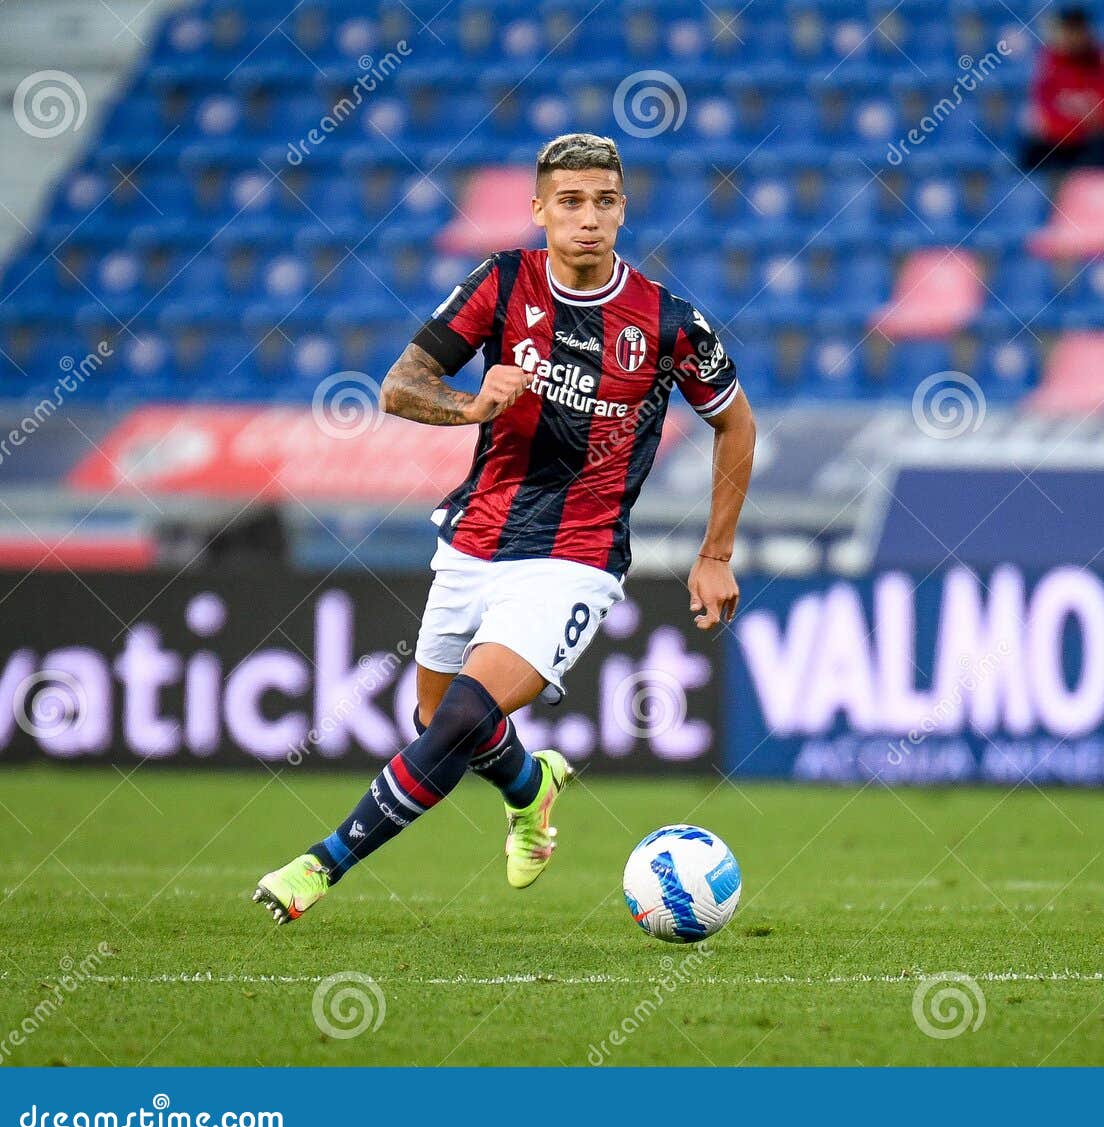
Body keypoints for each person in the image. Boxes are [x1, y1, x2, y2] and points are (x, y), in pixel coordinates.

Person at [252, 132, 757, 924]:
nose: (587, 218)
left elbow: (737, 425)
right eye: (569, 202)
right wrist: (473, 405)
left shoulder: (668, 322)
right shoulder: (503, 281)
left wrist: (715, 552)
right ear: (538, 211)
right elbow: (400, 385)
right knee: (433, 722)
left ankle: (319, 866)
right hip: (474, 536)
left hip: (577, 553)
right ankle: (531, 787)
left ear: (623, 211)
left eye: (603, 201)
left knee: (461, 718)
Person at [1018, 7, 1104, 174]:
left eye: (1078, 31)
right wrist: (1080, 122)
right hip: (1062, 141)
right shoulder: (1049, 63)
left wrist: (1077, 120)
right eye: (1069, 31)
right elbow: (1046, 113)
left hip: (1096, 142)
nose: (1074, 38)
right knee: (1030, 154)